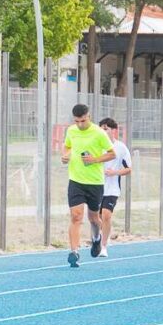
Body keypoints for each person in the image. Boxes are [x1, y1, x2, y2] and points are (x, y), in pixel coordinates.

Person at [61, 104, 115, 268]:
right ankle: (74, 253)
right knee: (76, 216)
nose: (80, 124)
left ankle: (96, 239)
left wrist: (95, 160)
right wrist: (65, 156)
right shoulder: (71, 131)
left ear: (88, 117)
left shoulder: (99, 133)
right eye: (77, 121)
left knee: (93, 218)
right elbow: (68, 146)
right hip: (76, 180)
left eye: (83, 121)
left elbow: (112, 153)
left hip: (95, 183)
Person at [98, 118, 132, 258]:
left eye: (105, 128)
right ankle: (101, 235)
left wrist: (115, 172)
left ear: (114, 130)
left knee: (106, 215)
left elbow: (129, 169)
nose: (103, 131)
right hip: (96, 187)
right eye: (101, 128)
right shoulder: (97, 146)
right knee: (97, 218)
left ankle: (104, 246)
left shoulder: (121, 148)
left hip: (112, 189)